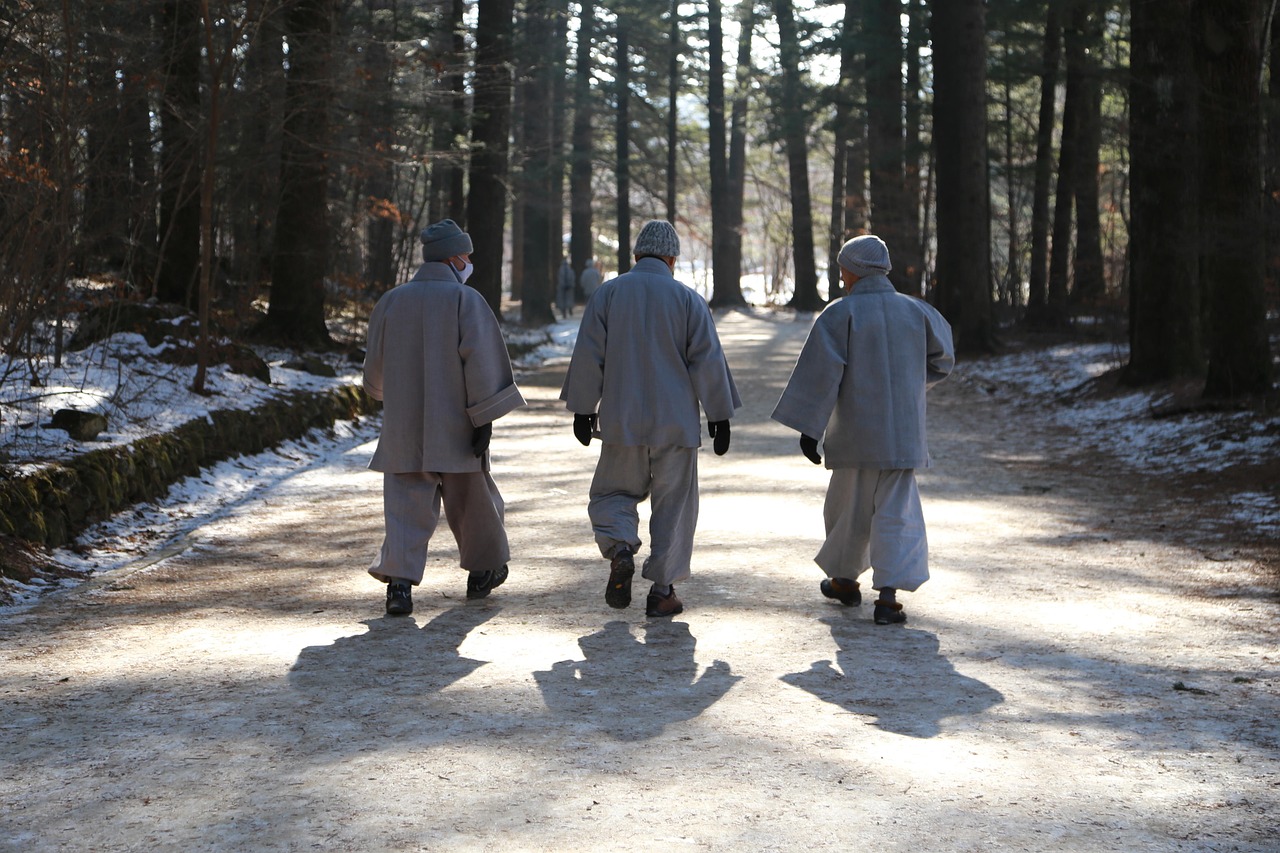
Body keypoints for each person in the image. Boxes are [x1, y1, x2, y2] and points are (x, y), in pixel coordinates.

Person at [561, 220, 741, 618]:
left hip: (621, 421)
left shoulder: (608, 294)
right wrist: (719, 416)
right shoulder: (688, 300)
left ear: (637, 255)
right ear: (672, 259)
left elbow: (590, 355)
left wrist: (583, 408)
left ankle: (621, 547)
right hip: (675, 424)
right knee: (674, 505)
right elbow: (707, 360)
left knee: (612, 493)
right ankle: (662, 590)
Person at [771, 234, 954, 625]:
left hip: (855, 435)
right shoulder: (918, 311)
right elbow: (943, 359)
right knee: (897, 514)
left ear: (852, 271)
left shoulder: (841, 314)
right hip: (903, 434)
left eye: (843, 271)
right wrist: (911, 384)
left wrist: (809, 428)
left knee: (847, 510)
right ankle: (887, 598)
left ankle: (844, 580)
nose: (842, 278)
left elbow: (820, 375)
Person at [363, 219, 526, 616]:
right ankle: (483, 571)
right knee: (474, 502)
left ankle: (399, 586)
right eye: (466, 255)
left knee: (404, 508)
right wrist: (484, 418)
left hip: (404, 427)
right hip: (457, 426)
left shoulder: (391, 301)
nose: (469, 261)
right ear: (453, 258)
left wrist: (386, 394)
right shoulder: (465, 301)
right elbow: (482, 363)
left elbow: (375, 372)